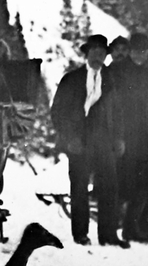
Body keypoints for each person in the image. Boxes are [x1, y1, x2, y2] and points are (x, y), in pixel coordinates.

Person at [51, 34, 129, 248]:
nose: (98, 57)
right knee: (79, 189)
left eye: (102, 53)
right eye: (94, 52)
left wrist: (119, 137)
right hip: (79, 142)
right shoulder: (72, 79)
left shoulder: (112, 80)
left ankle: (108, 235)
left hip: (104, 141)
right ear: (86, 54)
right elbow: (57, 112)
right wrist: (69, 138)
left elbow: (119, 112)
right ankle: (80, 235)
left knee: (109, 189)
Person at [110, 33, 148, 243]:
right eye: (135, 51)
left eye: (143, 51)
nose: (139, 56)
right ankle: (124, 227)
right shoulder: (118, 70)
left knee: (145, 183)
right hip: (125, 134)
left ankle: (133, 225)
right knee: (127, 183)